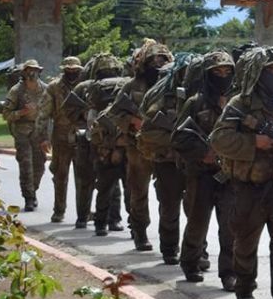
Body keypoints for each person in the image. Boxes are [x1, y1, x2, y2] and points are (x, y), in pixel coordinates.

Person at [211, 46, 273, 299]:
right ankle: (245, 286)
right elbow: (219, 139)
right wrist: (254, 142)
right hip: (248, 187)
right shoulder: (240, 105)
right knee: (246, 242)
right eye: (269, 70)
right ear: (256, 74)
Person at [173, 51, 236, 289]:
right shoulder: (195, 103)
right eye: (217, 73)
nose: (223, 77)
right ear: (208, 75)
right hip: (201, 175)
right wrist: (203, 153)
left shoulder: (238, 102)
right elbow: (178, 138)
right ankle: (190, 263)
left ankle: (229, 272)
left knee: (230, 226)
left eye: (227, 72)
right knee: (197, 223)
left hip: (229, 175)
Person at [113, 40, 173, 251]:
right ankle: (139, 231)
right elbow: (115, 113)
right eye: (153, 60)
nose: (158, 64)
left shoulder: (172, 85)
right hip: (137, 148)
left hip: (165, 148)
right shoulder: (131, 86)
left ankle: (169, 240)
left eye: (162, 60)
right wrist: (131, 121)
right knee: (138, 192)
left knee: (168, 194)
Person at [138, 54, 197, 265]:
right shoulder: (162, 97)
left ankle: (197, 251)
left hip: (194, 162)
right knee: (170, 207)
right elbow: (147, 132)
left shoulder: (201, 95)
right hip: (168, 161)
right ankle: (170, 248)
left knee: (196, 209)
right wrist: (175, 139)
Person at [72, 55, 127, 235]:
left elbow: (81, 118)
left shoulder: (89, 87)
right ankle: (113, 221)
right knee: (122, 187)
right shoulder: (127, 84)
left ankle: (102, 223)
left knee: (104, 186)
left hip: (102, 145)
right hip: (118, 144)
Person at [39, 57, 86, 222]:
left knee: (83, 177)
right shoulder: (54, 87)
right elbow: (43, 114)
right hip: (61, 137)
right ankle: (59, 210)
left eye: (75, 71)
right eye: (69, 70)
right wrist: (43, 138)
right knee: (60, 175)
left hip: (82, 137)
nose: (72, 73)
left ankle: (83, 213)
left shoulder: (87, 86)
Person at [2, 60, 49, 210]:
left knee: (40, 166)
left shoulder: (45, 90)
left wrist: (48, 137)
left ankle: (32, 190)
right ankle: (29, 197)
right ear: (24, 72)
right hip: (22, 132)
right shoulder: (16, 91)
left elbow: (50, 115)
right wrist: (22, 112)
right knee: (26, 164)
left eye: (35, 70)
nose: (32, 73)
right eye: (29, 70)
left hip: (39, 132)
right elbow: (6, 114)